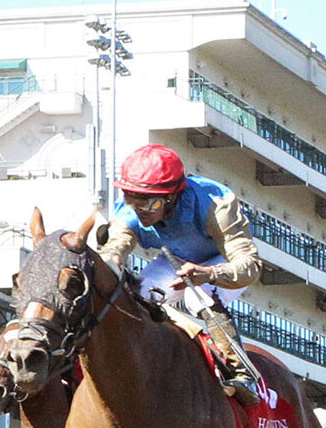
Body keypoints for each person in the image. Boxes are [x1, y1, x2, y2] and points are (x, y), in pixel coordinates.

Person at [97, 144, 262, 405]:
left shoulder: (216, 204)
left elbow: (250, 267)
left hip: (220, 263)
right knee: (139, 294)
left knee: (199, 297)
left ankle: (243, 374)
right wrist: (112, 258)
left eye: (149, 203)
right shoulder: (131, 209)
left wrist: (209, 273)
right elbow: (116, 244)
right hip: (176, 260)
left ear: (172, 197)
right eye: (131, 200)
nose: (139, 210)